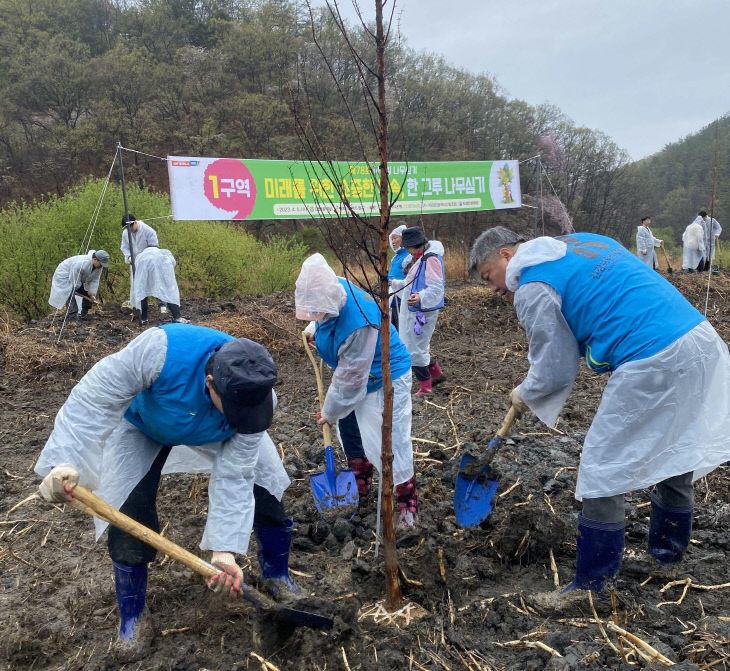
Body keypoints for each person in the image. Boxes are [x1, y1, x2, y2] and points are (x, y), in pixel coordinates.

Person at [469, 227, 730, 606]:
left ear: (507, 256)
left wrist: (525, 392)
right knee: (677, 448)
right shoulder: (582, 241)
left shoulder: (531, 286)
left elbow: (556, 368)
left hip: (652, 357)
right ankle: (667, 557)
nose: (492, 288)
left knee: (601, 466)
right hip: (699, 341)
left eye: (487, 276)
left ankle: (592, 587)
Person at [35, 326, 295, 659]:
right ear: (210, 383)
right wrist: (64, 461)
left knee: (267, 488)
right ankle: (133, 617)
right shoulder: (159, 352)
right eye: (231, 407)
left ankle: (278, 577)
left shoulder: (254, 401)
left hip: (214, 433)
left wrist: (224, 551)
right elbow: (92, 401)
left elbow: (236, 474)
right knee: (130, 510)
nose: (240, 415)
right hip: (143, 424)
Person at [295, 253, 418, 528]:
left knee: (391, 440)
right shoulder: (331, 285)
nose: (317, 315)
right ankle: (361, 486)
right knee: (350, 429)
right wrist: (313, 326)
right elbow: (321, 314)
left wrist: (328, 412)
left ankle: (406, 501)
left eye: (319, 312)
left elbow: (350, 383)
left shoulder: (358, 322)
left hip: (385, 378)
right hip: (352, 374)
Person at [390, 226, 446, 396]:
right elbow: (409, 283)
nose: (408, 251)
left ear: (416, 245)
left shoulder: (431, 260)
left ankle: (425, 386)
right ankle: (436, 374)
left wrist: (420, 297)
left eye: (409, 247)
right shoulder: (422, 260)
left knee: (415, 348)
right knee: (416, 345)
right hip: (415, 310)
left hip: (422, 312)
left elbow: (436, 288)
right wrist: (394, 284)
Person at [131, 246, 189, 326]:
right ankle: (177, 316)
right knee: (169, 290)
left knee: (142, 292)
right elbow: (173, 263)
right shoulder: (164, 254)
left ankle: (143, 318)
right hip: (161, 269)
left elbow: (136, 274)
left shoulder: (141, 257)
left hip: (145, 271)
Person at [49, 249, 110, 320]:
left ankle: (84, 313)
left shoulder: (99, 267)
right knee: (69, 292)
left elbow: (95, 280)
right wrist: (79, 288)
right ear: (95, 259)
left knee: (88, 293)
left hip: (78, 277)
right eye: (101, 264)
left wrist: (92, 294)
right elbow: (74, 279)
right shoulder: (81, 263)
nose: (101, 266)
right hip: (65, 274)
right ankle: (72, 316)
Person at [120, 214, 162, 312]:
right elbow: (124, 247)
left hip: (149, 261)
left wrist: (145, 258)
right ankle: (138, 308)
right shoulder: (126, 233)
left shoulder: (148, 231)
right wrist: (129, 257)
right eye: (127, 228)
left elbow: (153, 247)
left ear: (135, 222)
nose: (129, 230)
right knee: (137, 284)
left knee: (155, 281)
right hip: (135, 263)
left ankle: (161, 305)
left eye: (130, 227)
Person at [387, 224, 411, 329]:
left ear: (403, 238)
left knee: (401, 324)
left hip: (402, 296)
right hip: (392, 295)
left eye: (395, 238)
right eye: (391, 239)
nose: (393, 241)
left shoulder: (409, 256)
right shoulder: (395, 258)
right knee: (392, 324)